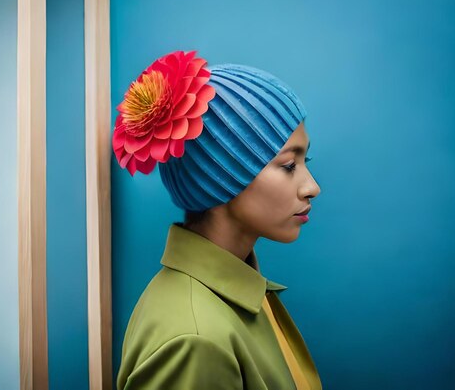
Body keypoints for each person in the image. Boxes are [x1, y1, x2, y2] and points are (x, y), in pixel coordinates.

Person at [112, 50, 323, 390]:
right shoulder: (195, 340)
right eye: (288, 165)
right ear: (220, 178)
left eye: (305, 160)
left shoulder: (239, 294)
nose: (312, 187)